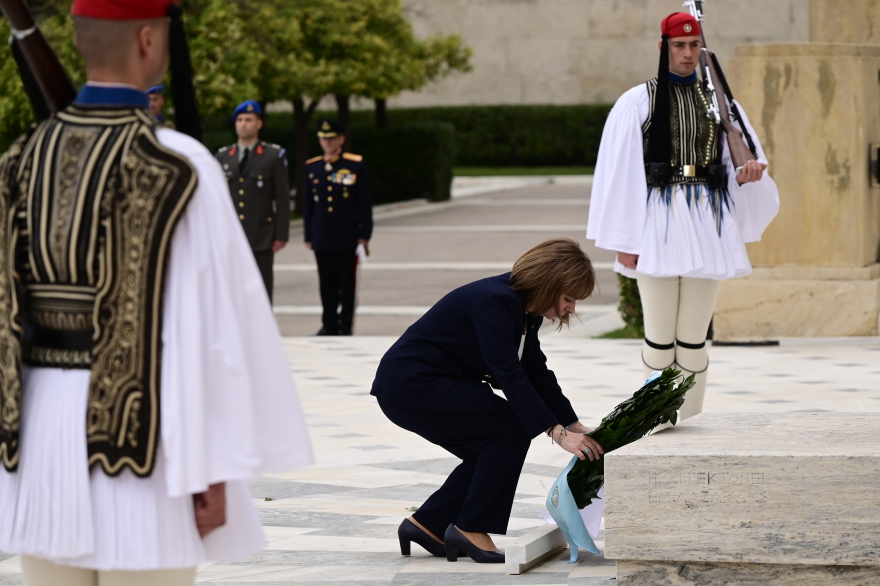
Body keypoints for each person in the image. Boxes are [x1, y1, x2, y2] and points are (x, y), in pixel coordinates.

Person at [0, 1, 313, 584]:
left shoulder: (21, 157)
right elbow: (207, 329)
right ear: (148, 38)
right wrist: (211, 467)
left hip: (38, 436)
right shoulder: (178, 163)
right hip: (144, 441)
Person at [586, 12, 779, 421]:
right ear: (664, 47)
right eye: (679, 45)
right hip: (657, 225)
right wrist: (626, 241)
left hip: (708, 222)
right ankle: (654, 418)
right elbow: (620, 174)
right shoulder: (638, 101)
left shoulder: (720, 103)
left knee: (692, 340)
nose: (688, 53)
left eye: (694, 45)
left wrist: (749, 176)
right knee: (659, 339)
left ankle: (687, 418)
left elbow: (738, 163)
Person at [371, 238, 605, 563]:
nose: (571, 309)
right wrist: (557, 434)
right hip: (412, 384)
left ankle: (427, 524)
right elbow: (508, 373)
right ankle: (471, 528)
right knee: (510, 429)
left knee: (493, 450)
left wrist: (571, 422)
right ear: (547, 284)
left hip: (430, 384)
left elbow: (535, 370)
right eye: (568, 298)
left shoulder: (525, 309)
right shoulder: (494, 301)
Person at [215, 100, 290, 302]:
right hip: (231, 235)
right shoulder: (223, 157)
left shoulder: (272, 156)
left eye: (249, 120)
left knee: (261, 290)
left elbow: (282, 199)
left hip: (261, 235)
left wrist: (281, 234)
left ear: (259, 123)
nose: (243, 124)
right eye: (239, 120)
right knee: (232, 291)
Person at [304, 119, 373, 336]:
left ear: (341, 139)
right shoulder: (312, 167)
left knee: (346, 283)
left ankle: (345, 324)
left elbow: (364, 203)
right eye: (323, 138)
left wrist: (364, 235)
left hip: (346, 234)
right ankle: (329, 323)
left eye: (331, 138)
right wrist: (309, 234)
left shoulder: (354, 165)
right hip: (322, 234)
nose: (327, 142)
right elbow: (308, 205)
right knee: (326, 283)